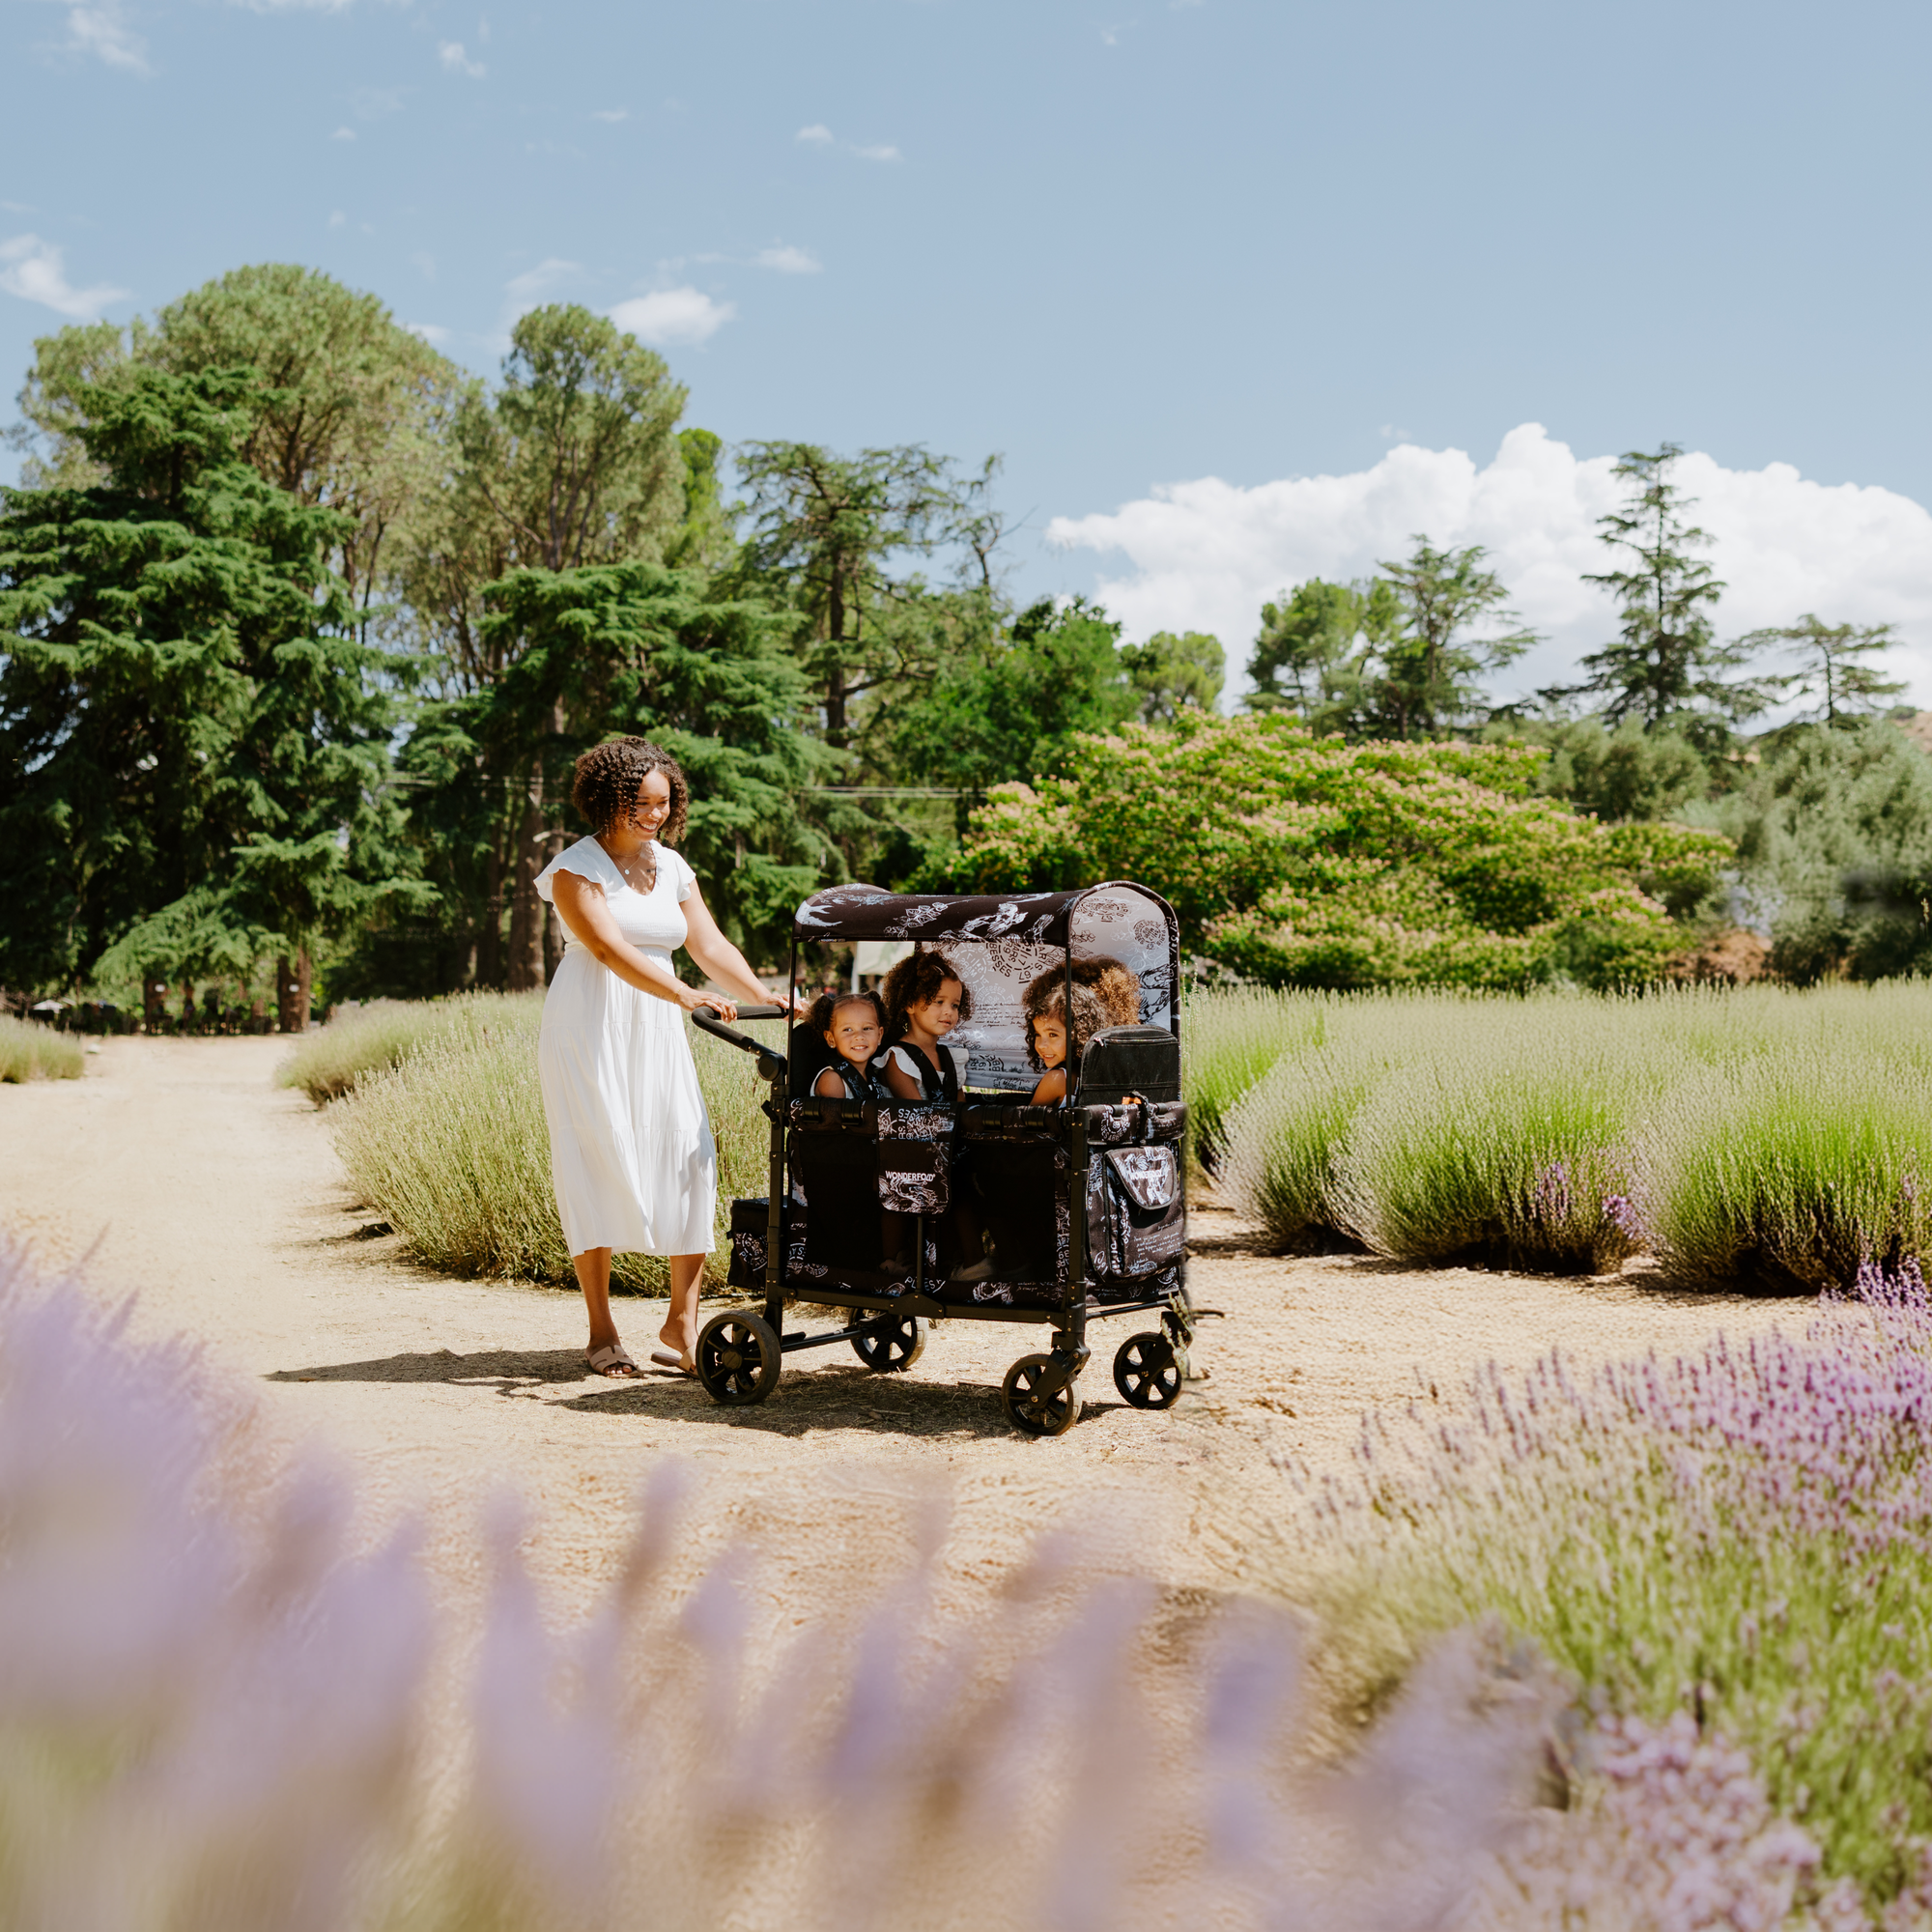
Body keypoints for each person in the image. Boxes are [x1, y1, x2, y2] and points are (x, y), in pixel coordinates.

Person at [535, 737, 787, 1378]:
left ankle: (681, 1325)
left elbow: (708, 944)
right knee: (596, 1156)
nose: (653, 813)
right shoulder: (574, 869)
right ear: (607, 798)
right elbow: (610, 948)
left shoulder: (671, 867)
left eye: (663, 801)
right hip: (593, 1022)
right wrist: (681, 993)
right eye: (640, 802)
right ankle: (601, 1331)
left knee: (689, 1154)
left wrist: (769, 997)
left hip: (658, 1024)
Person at [873, 949, 987, 1281]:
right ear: (909, 1003)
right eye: (938, 1002)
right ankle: (897, 1260)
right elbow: (914, 1113)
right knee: (951, 1184)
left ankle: (974, 1259)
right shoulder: (897, 1057)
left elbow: (959, 1105)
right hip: (910, 1150)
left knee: (975, 1177)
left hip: (946, 1142)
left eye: (954, 1005)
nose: (948, 1012)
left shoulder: (952, 1057)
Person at [1021, 957, 1139, 1105]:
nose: (1041, 1045)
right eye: (1037, 1034)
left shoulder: (1057, 1080)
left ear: (1080, 1034)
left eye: (1053, 1034)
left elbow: (1023, 1125)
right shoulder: (1111, 1076)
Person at [809, 990, 889, 1100]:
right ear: (831, 1039)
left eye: (867, 1028)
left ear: (879, 1035)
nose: (859, 1036)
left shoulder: (874, 1076)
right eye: (848, 1029)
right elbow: (832, 1117)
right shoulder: (832, 1079)